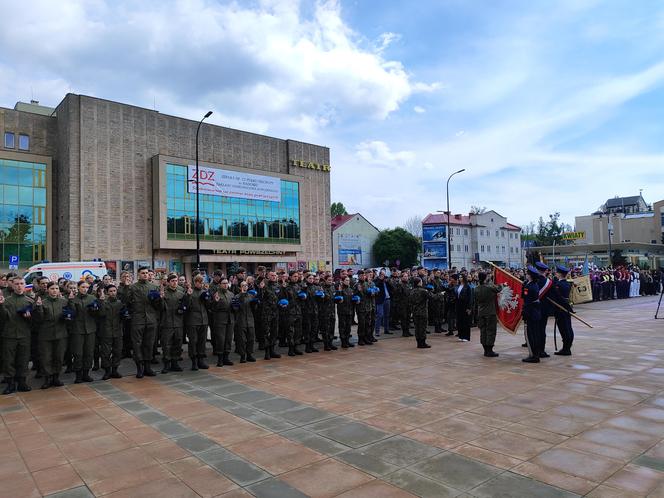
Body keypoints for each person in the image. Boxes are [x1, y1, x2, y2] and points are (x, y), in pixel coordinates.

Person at [0, 278, 34, 394]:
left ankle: (22, 382)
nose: (19, 286)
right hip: (9, 335)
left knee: (23, 360)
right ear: (12, 286)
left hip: (24, 335)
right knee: (8, 360)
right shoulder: (6, 301)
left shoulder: (30, 301)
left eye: (21, 284)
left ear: (25, 285)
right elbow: (2, 319)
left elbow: (36, 321)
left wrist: (30, 317)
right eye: (17, 284)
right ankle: (10, 384)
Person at [33, 282, 69, 388]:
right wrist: (39, 307)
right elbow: (39, 319)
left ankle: (56, 377)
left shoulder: (64, 302)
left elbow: (69, 315)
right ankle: (47, 378)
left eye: (56, 288)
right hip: (46, 335)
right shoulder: (42, 302)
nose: (54, 290)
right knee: (46, 357)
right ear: (48, 290)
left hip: (61, 334)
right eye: (52, 288)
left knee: (59, 356)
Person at [97, 284, 125, 380]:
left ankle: (115, 370)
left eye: (114, 291)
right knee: (106, 352)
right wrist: (101, 302)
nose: (113, 293)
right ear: (107, 292)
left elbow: (123, 316)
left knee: (117, 351)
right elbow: (101, 314)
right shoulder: (103, 302)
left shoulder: (119, 303)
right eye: (111, 291)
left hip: (118, 331)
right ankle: (107, 371)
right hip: (106, 331)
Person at [183, 274, 210, 371]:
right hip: (193, 321)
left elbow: (208, 306)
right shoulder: (190, 292)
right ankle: (194, 361)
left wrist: (207, 297)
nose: (202, 284)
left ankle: (201, 360)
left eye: (202, 282)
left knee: (202, 342)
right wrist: (189, 296)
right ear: (195, 282)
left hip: (203, 320)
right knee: (193, 342)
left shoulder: (204, 292)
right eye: (200, 282)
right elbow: (186, 306)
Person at [159, 273, 186, 373]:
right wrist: (161, 298)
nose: (175, 283)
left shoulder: (181, 293)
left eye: (176, 281)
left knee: (178, 343)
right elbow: (160, 308)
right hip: (167, 323)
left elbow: (185, 306)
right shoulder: (164, 293)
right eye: (172, 281)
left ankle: (175, 363)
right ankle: (167, 364)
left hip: (178, 323)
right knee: (166, 344)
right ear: (168, 282)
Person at [474, 272, 502, 357]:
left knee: (483, 331)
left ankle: (485, 350)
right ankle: (489, 350)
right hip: (490, 312)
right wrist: (502, 283)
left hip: (481, 312)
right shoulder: (489, 287)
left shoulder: (476, 288)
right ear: (485, 278)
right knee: (491, 331)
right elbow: (498, 288)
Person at [210, 277, 236, 366]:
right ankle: (220, 359)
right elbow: (212, 308)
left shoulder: (231, 294)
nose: (225, 285)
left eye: (226, 283)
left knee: (228, 339)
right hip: (220, 319)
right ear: (220, 284)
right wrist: (215, 302)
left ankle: (226, 358)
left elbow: (234, 306)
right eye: (223, 283)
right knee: (220, 339)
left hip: (230, 319)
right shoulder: (216, 294)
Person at [551, 265, 574, 356]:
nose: (555, 273)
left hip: (561, 309)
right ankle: (567, 347)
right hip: (566, 308)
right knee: (568, 328)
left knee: (564, 329)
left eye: (557, 272)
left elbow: (557, 298)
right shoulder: (567, 283)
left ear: (559, 274)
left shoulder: (558, 285)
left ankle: (566, 349)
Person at [522, 265, 542, 363]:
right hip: (535, 312)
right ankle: (535, 354)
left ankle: (533, 355)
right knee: (535, 334)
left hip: (531, 313)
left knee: (531, 335)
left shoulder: (529, 287)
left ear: (530, 276)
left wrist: (525, 312)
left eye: (527, 273)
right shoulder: (534, 284)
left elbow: (527, 301)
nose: (526, 274)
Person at [233, 281, 256, 363]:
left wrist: (255, 304)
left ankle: (249, 354)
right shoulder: (236, 296)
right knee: (242, 340)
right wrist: (242, 296)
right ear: (240, 287)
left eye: (246, 285)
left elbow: (254, 309)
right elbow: (235, 309)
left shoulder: (251, 296)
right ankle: (242, 356)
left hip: (250, 320)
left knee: (251, 338)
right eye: (243, 285)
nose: (244, 287)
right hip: (241, 320)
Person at [535, 262, 553, 358]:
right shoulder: (549, 282)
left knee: (535, 330)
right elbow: (555, 296)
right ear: (545, 271)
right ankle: (541, 350)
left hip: (534, 309)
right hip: (544, 310)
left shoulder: (533, 281)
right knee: (542, 330)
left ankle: (535, 350)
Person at [409, 277, 431, 348]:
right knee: (423, 328)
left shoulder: (412, 291)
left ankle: (418, 343)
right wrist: (440, 294)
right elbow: (432, 297)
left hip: (415, 312)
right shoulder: (423, 291)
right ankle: (422, 343)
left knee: (417, 328)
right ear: (419, 282)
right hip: (422, 312)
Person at [335, 276, 355, 348]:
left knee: (348, 327)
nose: (348, 281)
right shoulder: (340, 289)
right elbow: (337, 301)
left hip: (349, 311)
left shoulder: (350, 289)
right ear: (342, 281)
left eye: (348, 280)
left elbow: (352, 300)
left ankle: (347, 340)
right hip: (342, 311)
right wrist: (339, 292)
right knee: (342, 326)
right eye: (346, 280)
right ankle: (343, 342)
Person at [456, 274, 472, 342]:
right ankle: (461, 335)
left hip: (465, 305)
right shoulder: (458, 286)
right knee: (460, 321)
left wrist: (469, 307)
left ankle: (466, 336)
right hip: (459, 305)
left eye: (461, 277)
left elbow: (470, 297)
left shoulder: (467, 286)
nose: (460, 278)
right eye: (459, 277)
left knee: (466, 321)